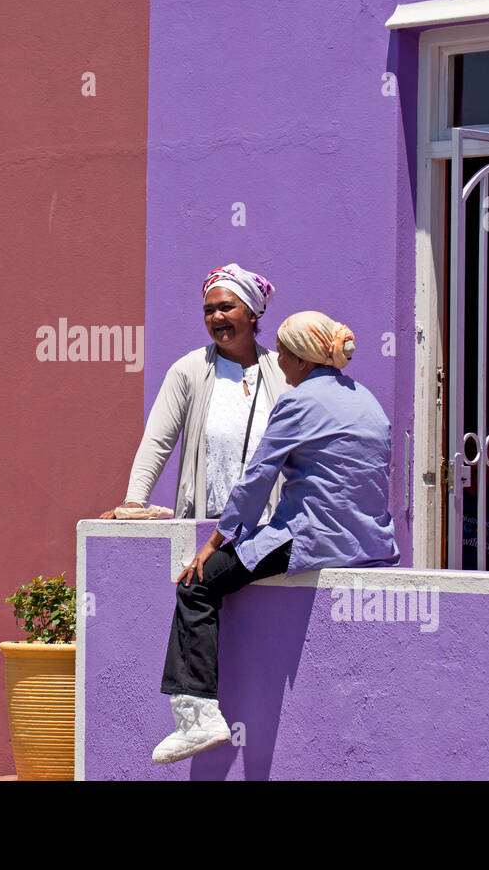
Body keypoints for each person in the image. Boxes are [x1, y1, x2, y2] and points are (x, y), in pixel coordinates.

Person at [151, 310, 401, 765]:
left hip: (313, 536)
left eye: (284, 351)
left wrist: (216, 542)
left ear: (304, 360)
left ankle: (197, 715)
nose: (279, 359)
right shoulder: (367, 400)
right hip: (368, 544)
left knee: (197, 584)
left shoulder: (299, 401)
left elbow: (257, 478)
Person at [100, 263, 287, 522]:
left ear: (252, 313)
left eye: (226, 307)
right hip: (208, 525)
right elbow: (157, 441)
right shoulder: (189, 370)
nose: (217, 317)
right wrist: (134, 501)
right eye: (209, 311)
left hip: (274, 528)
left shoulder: (284, 371)